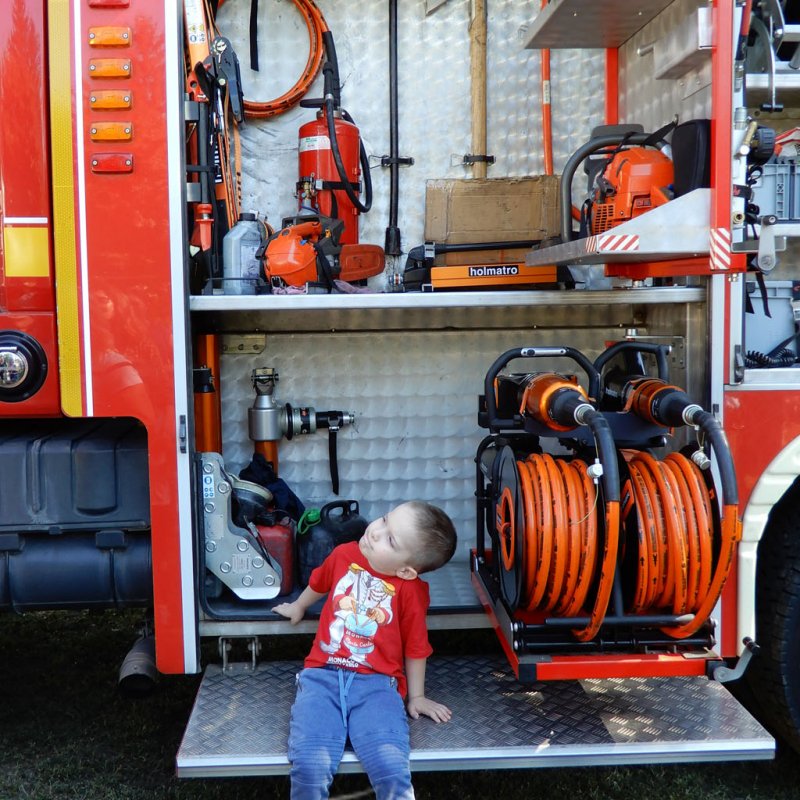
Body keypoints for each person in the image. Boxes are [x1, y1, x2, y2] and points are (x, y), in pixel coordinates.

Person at [273, 500, 458, 800]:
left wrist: (417, 696)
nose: (375, 532)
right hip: (322, 677)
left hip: (377, 686)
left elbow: (416, 647)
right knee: (309, 762)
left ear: (406, 571)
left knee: (390, 764)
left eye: (390, 539)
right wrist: (299, 606)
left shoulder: (409, 591)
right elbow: (320, 582)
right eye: (384, 520)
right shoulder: (343, 554)